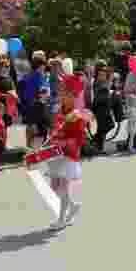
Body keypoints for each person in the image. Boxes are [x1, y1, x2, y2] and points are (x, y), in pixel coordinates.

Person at [48, 75, 90, 229]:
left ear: (73, 95)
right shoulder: (60, 110)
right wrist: (51, 136)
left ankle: (61, 219)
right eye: (61, 92)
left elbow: (80, 139)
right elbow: (56, 128)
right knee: (54, 187)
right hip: (56, 152)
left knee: (64, 187)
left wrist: (65, 142)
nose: (61, 95)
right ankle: (73, 206)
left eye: (64, 92)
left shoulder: (78, 115)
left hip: (68, 155)